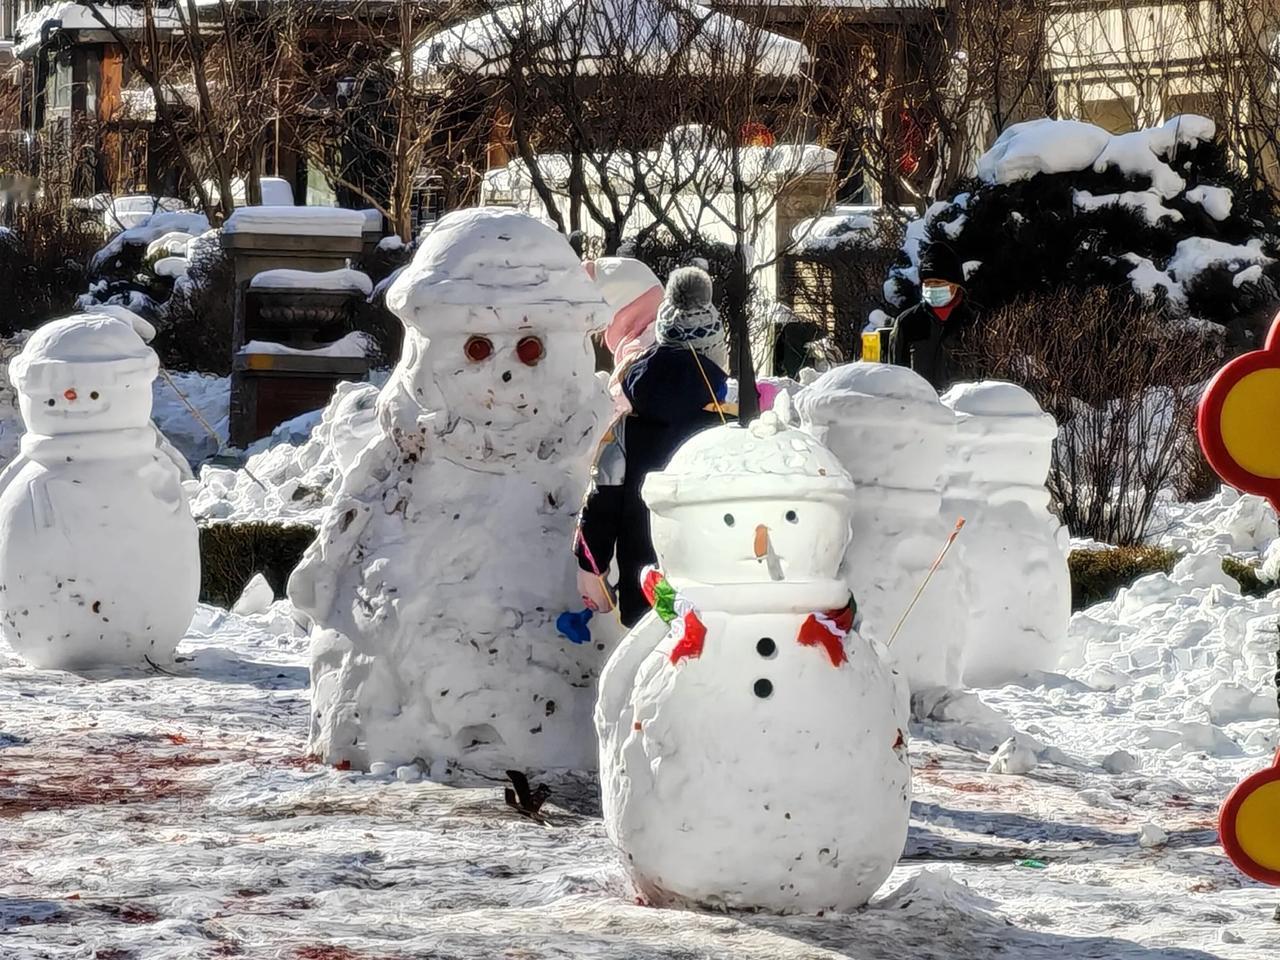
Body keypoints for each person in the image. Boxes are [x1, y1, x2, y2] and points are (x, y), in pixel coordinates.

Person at [575, 266, 731, 626]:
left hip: (647, 590)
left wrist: (592, 570)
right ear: (715, 353)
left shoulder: (627, 429)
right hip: (715, 591)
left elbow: (601, 503)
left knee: (651, 667)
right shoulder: (729, 425)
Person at [889, 241, 973, 391]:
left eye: (938, 282)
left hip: (963, 411)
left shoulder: (974, 322)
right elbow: (896, 374)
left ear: (955, 284)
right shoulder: (907, 322)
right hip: (921, 410)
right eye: (927, 283)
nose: (932, 287)